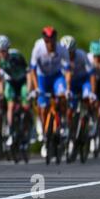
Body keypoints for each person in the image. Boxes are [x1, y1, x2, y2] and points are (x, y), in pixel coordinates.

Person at [30, 26, 71, 158]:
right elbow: (32, 70)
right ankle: (44, 134)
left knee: (62, 95)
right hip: (42, 78)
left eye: (52, 41)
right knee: (42, 107)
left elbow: (68, 71)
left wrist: (68, 89)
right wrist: (36, 88)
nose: (50, 44)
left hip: (56, 77)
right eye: (47, 41)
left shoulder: (62, 49)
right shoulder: (38, 48)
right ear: (44, 40)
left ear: (55, 40)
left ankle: (63, 121)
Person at [0, 35, 30, 147]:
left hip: (22, 81)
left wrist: (29, 89)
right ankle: (10, 128)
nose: (2, 54)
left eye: (4, 51)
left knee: (25, 104)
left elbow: (28, 72)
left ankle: (26, 130)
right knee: (10, 104)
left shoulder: (17, 56)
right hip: (10, 83)